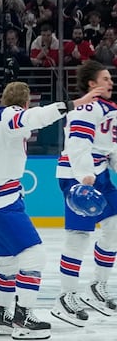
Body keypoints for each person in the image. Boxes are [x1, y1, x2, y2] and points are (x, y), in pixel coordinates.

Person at [0, 82, 102, 339]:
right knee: (34, 255)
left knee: (9, 260)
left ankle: (0, 315)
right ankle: (24, 318)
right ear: (25, 103)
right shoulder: (13, 116)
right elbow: (36, 117)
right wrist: (72, 104)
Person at [53, 60, 117, 326]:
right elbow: (78, 143)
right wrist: (84, 176)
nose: (111, 82)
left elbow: (110, 149)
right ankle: (66, 296)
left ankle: (97, 286)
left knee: (114, 227)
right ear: (92, 84)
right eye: (105, 79)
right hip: (76, 176)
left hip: (99, 173)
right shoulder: (86, 107)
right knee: (78, 236)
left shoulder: (109, 109)